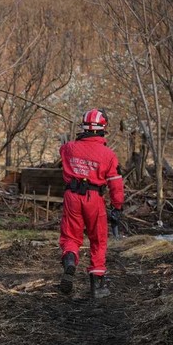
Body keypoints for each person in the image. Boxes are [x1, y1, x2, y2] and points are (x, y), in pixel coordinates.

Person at [58, 108, 124, 298]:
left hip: (71, 196)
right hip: (94, 198)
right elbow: (116, 185)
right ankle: (97, 286)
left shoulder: (69, 148)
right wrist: (117, 207)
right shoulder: (108, 155)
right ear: (103, 128)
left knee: (70, 236)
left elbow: (63, 151)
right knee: (98, 239)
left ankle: (70, 260)